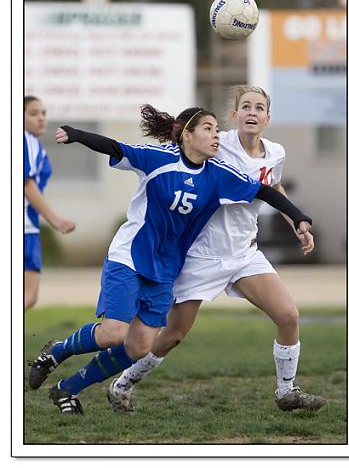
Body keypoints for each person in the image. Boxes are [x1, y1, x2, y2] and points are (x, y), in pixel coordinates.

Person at [28, 103, 313, 415]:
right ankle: (57, 351)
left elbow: (264, 191)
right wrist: (75, 134)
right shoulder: (159, 158)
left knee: (138, 348)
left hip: (167, 269)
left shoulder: (218, 175)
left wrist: (298, 216)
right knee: (113, 333)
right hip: (130, 257)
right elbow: (115, 146)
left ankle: (67, 389)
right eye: (208, 128)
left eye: (217, 130)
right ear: (187, 135)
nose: (216, 135)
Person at [107, 86, 326, 413]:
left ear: (268, 117)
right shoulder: (218, 142)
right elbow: (183, 149)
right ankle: (122, 384)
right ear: (234, 115)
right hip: (202, 255)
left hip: (244, 253)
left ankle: (286, 391)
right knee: (174, 334)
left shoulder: (276, 152)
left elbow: (272, 187)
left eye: (260, 108)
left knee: (288, 315)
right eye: (246, 107)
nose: (252, 113)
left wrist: (295, 221)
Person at [24, 96, 76, 310]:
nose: (41, 118)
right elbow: (26, 184)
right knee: (28, 296)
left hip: (29, 225)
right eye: (33, 113)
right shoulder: (25, 140)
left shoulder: (33, 144)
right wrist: (55, 220)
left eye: (43, 113)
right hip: (24, 227)